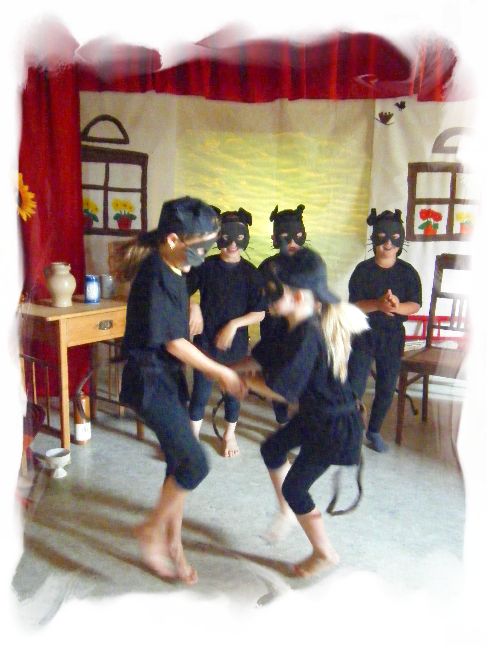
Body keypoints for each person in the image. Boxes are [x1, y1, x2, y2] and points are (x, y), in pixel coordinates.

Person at [115, 196, 247, 585]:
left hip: (167, 378)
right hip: (149, 382)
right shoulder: (155, 274)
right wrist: (220, 372)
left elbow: (178, 314)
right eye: (200, 249)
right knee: (196, 464)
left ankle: (174, 545)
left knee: (178, 464)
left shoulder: (173, 266)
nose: (203, 258)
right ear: (173, 239)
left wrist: (193, 306)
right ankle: (151, 531)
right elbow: (174, 343)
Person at [234, 247, 369, 578]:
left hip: (334, 427)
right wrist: (218, 368)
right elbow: (258, 359)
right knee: (272, 449)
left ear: (296, 296)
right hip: (315, 415)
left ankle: (324, 553)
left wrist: (242, 381)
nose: (265, 297)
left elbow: (283, 390)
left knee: (295, 488)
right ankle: (288, 513)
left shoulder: (308, 333)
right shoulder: (288, 326)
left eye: (273, 291)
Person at [187, 207, 266, 457]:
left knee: (233, 394)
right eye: (226, 237)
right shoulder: (205, 266)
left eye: (238, 238)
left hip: (236, 346)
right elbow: (180, 291)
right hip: (205, 342)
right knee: (200, 393)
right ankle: (191, 440)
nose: (232, 244)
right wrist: (193, 307)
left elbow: (260, 313)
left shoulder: (251, 274)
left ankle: (229, 434)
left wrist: (234, 325)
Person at [347, 208, 422, 453]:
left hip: (392, 337)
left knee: (387, 387)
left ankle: (374, 430)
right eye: (382, 237)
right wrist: (378, 305)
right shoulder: (363, 270)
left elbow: (415, 305)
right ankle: (352, 429)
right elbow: (354, 305)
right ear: (373, 238)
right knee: (355, 385)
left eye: (394, 238)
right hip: (363, 334)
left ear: (401, 240)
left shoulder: (408, 273)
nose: (388, 243)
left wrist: (397, 306)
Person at [258, 204, 307, 425]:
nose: (292, 242)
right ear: (275, 238)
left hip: (301, 328)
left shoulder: (309, 264)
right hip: (274, 328)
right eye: (286, 237)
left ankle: (301, 410)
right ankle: (280, 411)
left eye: (297, 236)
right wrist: (267, 306)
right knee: (276, 368)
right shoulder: (267, 266)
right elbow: (258, 296)